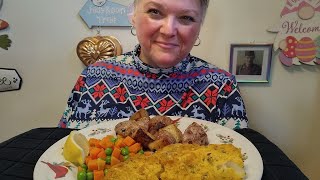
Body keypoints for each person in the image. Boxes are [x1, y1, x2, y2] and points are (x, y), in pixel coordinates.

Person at [58, 0, 248, 130]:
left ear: (199, 26)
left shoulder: (223, 86)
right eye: (155, 12)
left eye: (186, 18)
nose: (168, 30)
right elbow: (66, 153)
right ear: (133, 16)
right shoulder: (94, 77)